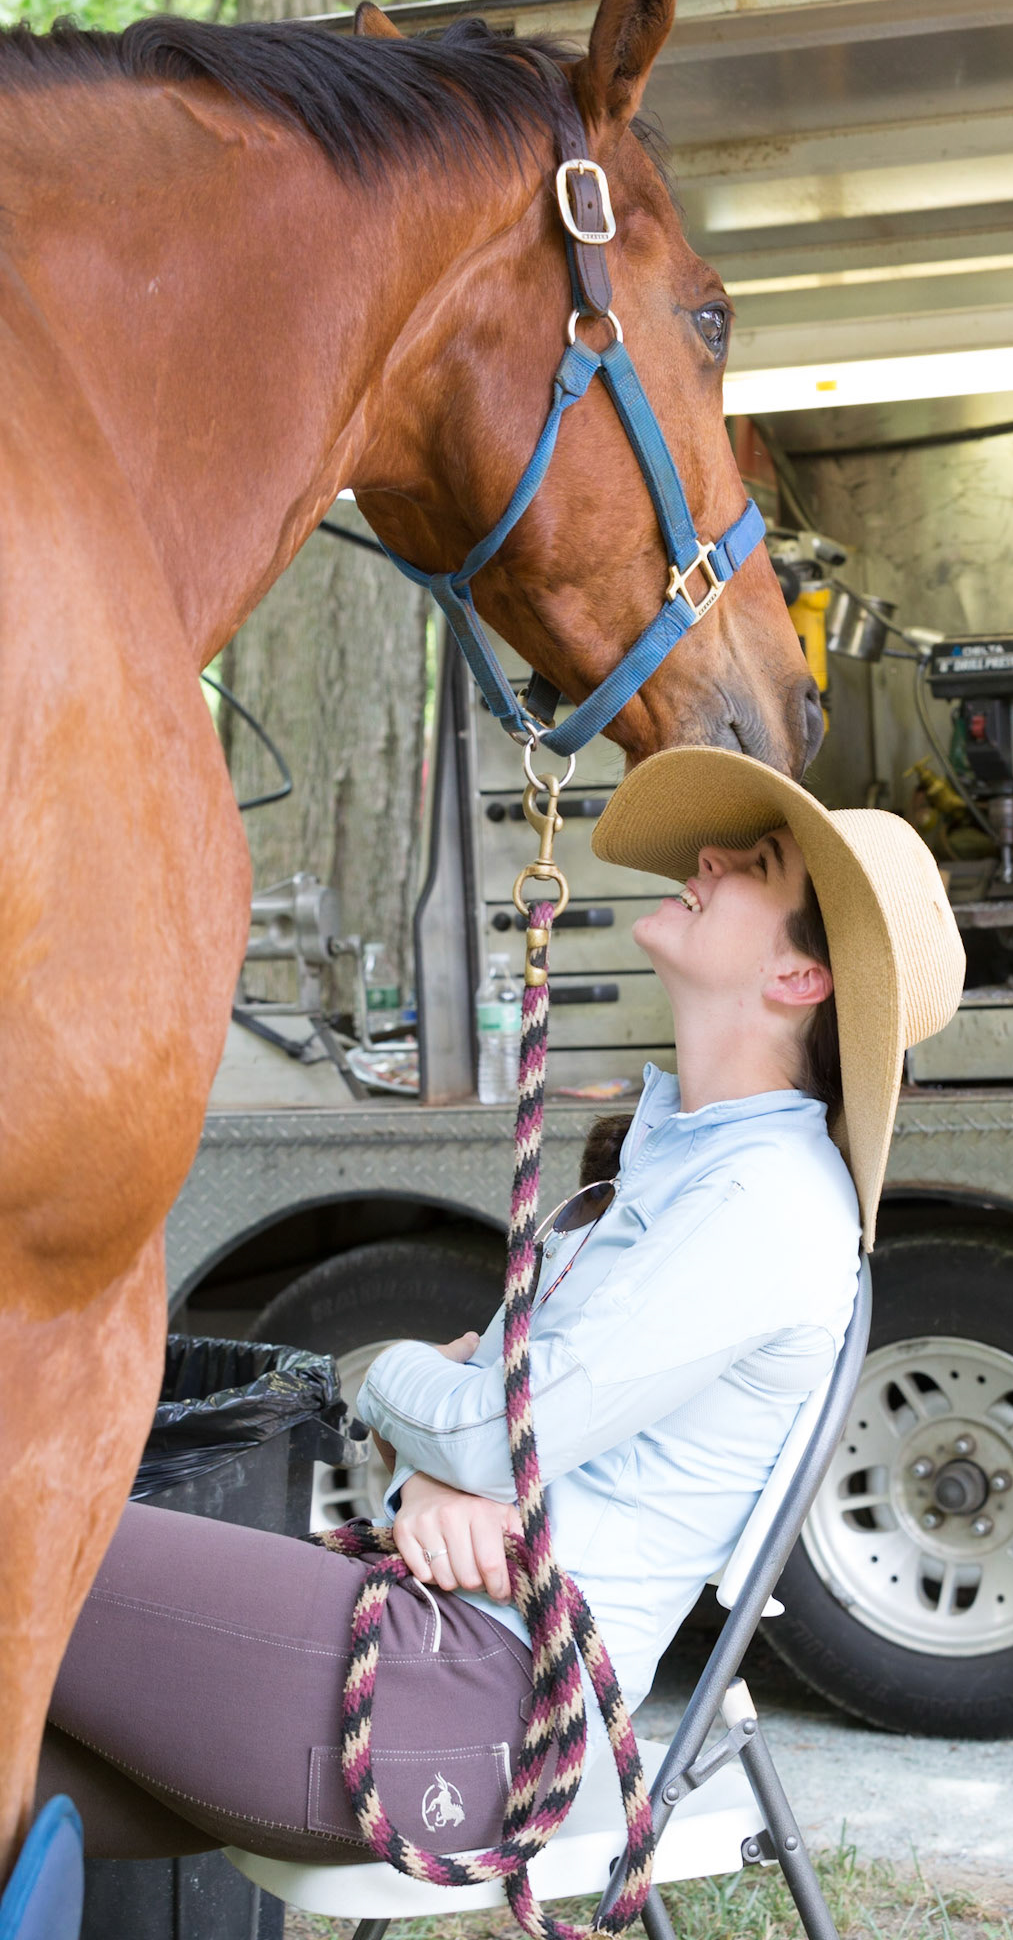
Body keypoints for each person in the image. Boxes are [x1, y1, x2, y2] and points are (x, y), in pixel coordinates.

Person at [35, 745, 963, 1864]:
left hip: (475, 1706)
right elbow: (488, 1443)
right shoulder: (681, 1172)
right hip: (451, 1661)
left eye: (758, 862)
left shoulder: (761, 1203)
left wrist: (395, 1382)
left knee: (20, 1534)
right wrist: (437, 1466)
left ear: (799, 979)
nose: (709, 856)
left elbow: (486, 1428)